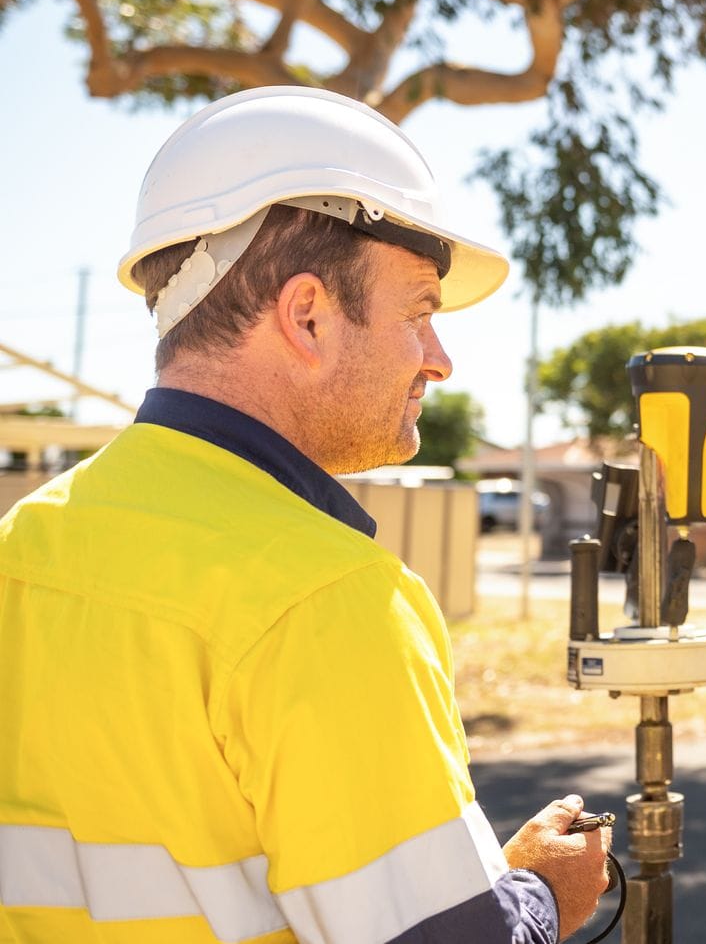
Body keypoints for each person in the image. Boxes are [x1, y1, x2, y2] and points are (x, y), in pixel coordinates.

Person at [0, 86, 610, 942]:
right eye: (422, 312)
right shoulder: (326, 598)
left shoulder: (23, 546)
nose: (440, 360)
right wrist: (543, 894)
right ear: (309, 315)